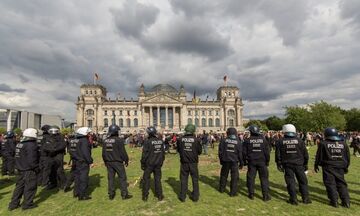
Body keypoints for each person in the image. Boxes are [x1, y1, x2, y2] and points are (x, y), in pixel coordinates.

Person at [314, 127, 350, 208]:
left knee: (330, 184)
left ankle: (334, 202)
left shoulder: (323, 143)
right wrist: (346, 166)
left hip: (328, 166)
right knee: (341, 184)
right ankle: (346, 202)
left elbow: (319, 156)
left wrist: (316, 165)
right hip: (340, 166)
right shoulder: (343, 143)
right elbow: (347, 157)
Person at [275, 124, 311, 205]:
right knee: (303, 181)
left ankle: (293, 199)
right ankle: (306, 198)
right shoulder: (300, 141)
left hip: (287, 164)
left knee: (290, 182)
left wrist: (279, 164)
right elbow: (305, 154)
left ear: (284, 131)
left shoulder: (280, 141)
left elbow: (278, 155)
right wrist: (305, 164)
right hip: (299, 164)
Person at [8, 128, 39, 210]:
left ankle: (13, 204)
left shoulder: (20, 144)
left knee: (19, 187)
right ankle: (27, 204)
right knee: (30, 187)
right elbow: (32, 159)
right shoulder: (31, 145)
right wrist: (36, 168)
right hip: (28, 170)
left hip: (20, 169)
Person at [102, 124, 132, 200]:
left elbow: (103, 153)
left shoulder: (105, 140)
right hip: (118, 162)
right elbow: (123, 152)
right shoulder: (119, 140)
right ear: (115, 131)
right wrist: (126, 160)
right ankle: (124, 194)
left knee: (111, 178)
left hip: (109, 162)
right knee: (122, 177)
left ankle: (111, 194)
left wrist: (105, 161)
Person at [243, 125, 271, 201]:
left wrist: (245, 161)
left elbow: (244, 153)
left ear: (251, 132)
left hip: (251, 162)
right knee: (264, 179)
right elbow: (267, 153)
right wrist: (267, 161)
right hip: (262, 162)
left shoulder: (247, 140)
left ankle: (251, 194)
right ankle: (265, 196)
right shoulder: (263, 140)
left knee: (251, 178)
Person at [176, 124, 202, 202]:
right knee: (195, 180)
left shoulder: (180, 139)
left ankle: (182, 196)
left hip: (184, 162)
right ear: (193, 131)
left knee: (183, 180)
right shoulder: (196, 140)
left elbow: (179, 150)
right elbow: (199, 152)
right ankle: (195, 197)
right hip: (193, 163)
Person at [141, 126, 165, 201]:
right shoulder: (160, 141)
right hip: (158, 163)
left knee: (146, 179)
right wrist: (161, 162)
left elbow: (144, 154)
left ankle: (145, 196)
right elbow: (163, 154)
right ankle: (159, 195)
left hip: (149, 164)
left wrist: (142, 163)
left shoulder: (147, 142)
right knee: (157, 179)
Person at [218, 127, 243, 197]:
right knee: (234, 177)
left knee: (223, 175)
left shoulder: (223, 140)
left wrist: (221, 160)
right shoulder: (238, 142)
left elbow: (220, 152)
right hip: (234, 161)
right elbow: (240, 153)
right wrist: (241, 163)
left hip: (225, 160)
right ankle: (233, 192)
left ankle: (221, 189)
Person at [41, 125, 66, 190]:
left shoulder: (60, 137)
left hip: (58, 155)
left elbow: (63, 145)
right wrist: (50, 150)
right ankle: (53, 183)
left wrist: (55, 149)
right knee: (51, 170)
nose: (53, 132)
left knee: (59, 170)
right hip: (50, 155)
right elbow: (44, 146)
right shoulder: (47, 137)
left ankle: (63, 184)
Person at [74, 127, 93, 201]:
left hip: (79, 161)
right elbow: (86, 153)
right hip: (83, 162)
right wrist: (90, 161)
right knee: (83, 178)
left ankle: (77, 192)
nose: (90, 134)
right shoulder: (85, 141)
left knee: (78, 178)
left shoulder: (79, 140)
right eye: (88, 133)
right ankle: (82, 195)